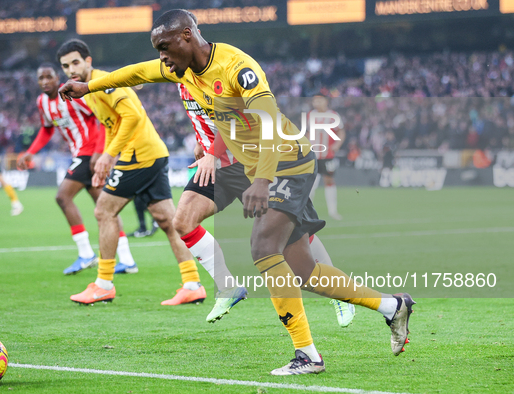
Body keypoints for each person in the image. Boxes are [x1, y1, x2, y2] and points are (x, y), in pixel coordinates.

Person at [59, 10, 415, 375]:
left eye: (164, 48)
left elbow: (272, 124)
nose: (162, 58)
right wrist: (88, 88)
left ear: (186, 36)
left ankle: (307, 354)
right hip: (249, 165)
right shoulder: (180, 68)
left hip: (287, 163)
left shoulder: (236, 67)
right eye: (158, 51)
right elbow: (135, 72)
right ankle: (392, 307)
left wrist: (261, 181)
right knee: (295, 267)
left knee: (266, 249)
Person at [173, 82, 355, 327]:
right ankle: (227, 287)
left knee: (296, 232)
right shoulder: (179, 76)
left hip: (249, 162)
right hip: (215, 165)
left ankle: (341, 293)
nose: (166, 61)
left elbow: (235, 120)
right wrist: (200, 141)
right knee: (183, 221)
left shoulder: (211, 75)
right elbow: (203, 117)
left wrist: (212, 153)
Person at [56, 39, 206, 305]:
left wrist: (109, 154)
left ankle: (103, 284)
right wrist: (106, 152)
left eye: (75, 62)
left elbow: (132, 117)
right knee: (167, 221)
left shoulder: (104, 83)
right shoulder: (91, 89)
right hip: (152, 153)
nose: (71, 70)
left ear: (89, 61)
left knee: (104, 211)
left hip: (139, 157)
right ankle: (192, 283)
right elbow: (114, 123)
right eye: (65, 66)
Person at [17, 63, 136, 275]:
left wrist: (100, 152)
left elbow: (102, 119)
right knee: (105, 207)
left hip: (89, 153)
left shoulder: (73, 94)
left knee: (62, 197)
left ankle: (86, 254)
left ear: (57, 78)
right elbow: (46, 129)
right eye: (40, 78)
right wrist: (31, 151)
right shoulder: (42, 102)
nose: (44, 82)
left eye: (49, 77)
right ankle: (127, 260)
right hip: (81, 154)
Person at [308, 95, 346, 220]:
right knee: (310, 183)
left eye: (319, 100)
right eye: (314, 100)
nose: (316, 103)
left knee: (329, 181)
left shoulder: (333, 115)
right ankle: (307, 212)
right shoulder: (310, 115)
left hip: (327, 155)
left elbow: (341, 131)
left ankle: (333, 211)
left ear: (326, 101)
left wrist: (337, 144)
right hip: (312, 154)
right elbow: (307, 132)